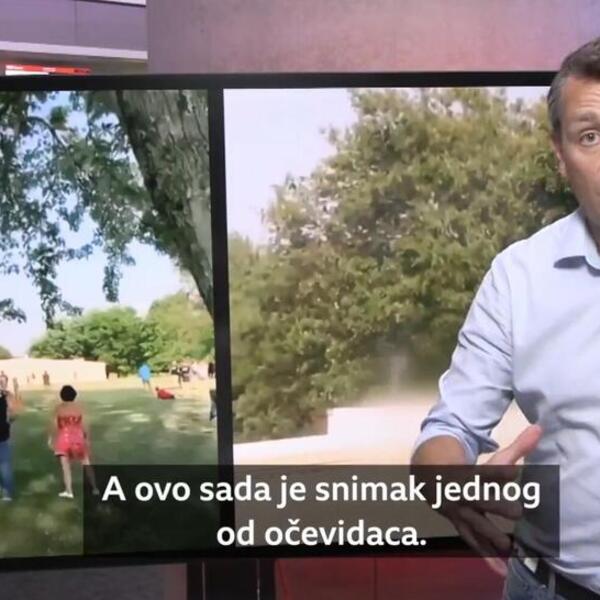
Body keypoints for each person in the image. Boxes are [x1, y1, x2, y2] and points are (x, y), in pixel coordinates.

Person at [411, 37, 600, 599]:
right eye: (591, 136)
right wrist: (450, 482)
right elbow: (447, 432)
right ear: (560, 155)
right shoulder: (518, 277)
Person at [48, 385, 98, 499]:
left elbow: (54, 425)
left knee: (65, 467)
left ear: (62, 396)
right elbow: (85, 424)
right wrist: (87, 438)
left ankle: (69, 491)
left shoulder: (59, 409)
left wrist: (51, 438)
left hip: (64, 439)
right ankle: (94, 487)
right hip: (78, 438)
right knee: (86, 464)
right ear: (74, 395)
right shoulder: (79, 408)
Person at [0, 377, 15, 501]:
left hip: (3, 433)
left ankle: (6, 491)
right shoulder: (6, 397)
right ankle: (7, 493)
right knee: (4, 464)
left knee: (4, 465)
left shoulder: (7, 396)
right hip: (3, 433)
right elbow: (14, 413)